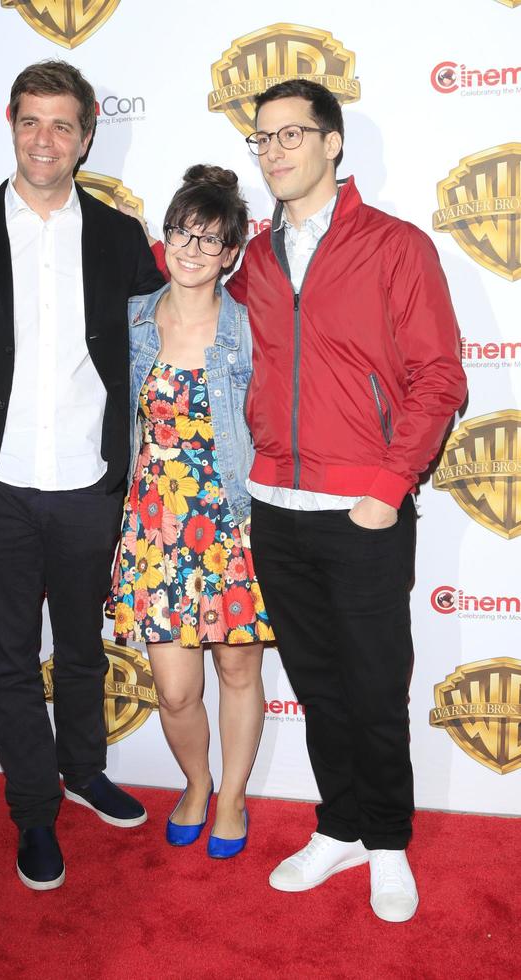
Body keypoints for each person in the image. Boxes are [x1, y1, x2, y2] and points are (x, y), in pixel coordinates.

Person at [0, 60, 164, 891]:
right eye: (32, 122)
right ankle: (33, 811)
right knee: (11, 661)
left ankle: (82, 771)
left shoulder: (122, 238)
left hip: (92, 485)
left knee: (84, 650)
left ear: (88, 131)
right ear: (10, 123)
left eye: (63, 124)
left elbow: (150, 355)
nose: (46, 139)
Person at [224, 80, 467, 919]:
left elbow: (439, 379)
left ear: (333, 143)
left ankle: (389, 842)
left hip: (361, 511)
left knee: (371, 687)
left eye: (293, 134)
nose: (275, 151)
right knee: (321, 687)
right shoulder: (253, 258)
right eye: (262, 139)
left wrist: (387, 489)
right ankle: (341, 827)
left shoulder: (395, 245)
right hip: (274, 508)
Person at [106, 165, 273, 858]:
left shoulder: (249, 328)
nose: (194, 249)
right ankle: (197, 782)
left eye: (212, 240)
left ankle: (230, 798)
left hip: (233, 526)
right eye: (183, 232)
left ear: (233, 253)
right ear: (164, 235)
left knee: (239, 673)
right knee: (175, 690)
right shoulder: (132, 319)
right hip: (153, 530)